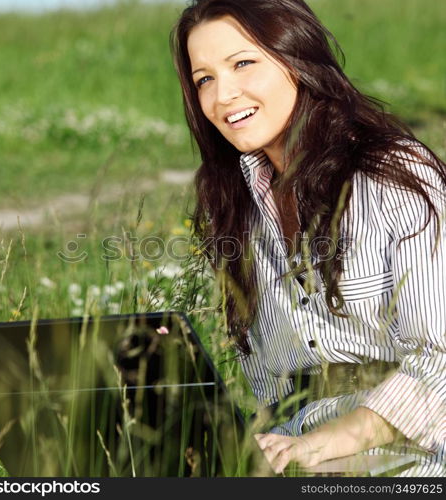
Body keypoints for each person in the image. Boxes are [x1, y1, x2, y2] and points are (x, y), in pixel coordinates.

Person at [170, 0, 446, 476]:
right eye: (204, 80)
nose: (223, 94)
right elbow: (270, 388)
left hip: (413, 453)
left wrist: (332, 442)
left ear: (297, 59)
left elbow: (440, 358)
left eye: (242, 63)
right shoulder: (235, 205)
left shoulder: (392, 174)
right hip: (297, 454)